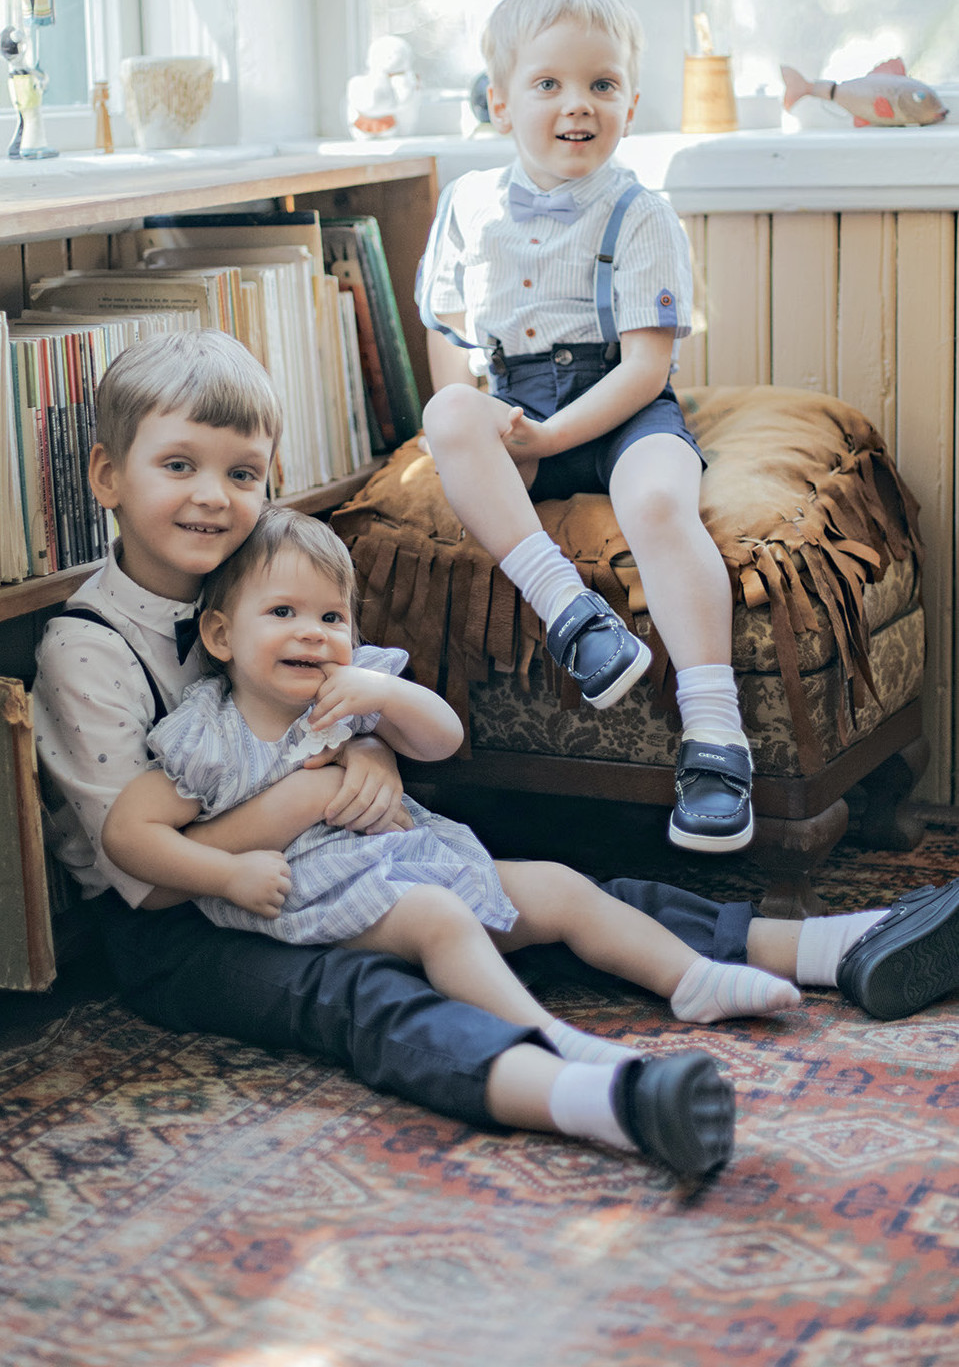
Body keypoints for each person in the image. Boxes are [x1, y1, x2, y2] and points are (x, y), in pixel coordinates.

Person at [31, 330, 959, 1184]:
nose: (210, 497)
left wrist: (372, 757)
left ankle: (826, 946)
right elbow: (142, 878)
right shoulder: (88, 651)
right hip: (180, 927)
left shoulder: (271, 588)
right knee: (356, 990)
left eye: (240, 474)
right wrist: (315, 795)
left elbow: (350, 719)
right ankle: (594, 1096)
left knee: (522, 889)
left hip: (329, 860)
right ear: (109, 476)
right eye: (178, 466)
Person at [102, 506, 803, 1065]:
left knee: (558, 885)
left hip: (412, 859)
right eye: (282, 613)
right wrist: (225, 876)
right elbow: (128, 834)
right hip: (312, 901)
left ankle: (689, 978)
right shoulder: (212, 738)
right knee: (438, 917)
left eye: (331, 617)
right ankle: (548, 1042)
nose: (312, 634)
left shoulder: (354, 691)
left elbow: (442, 740)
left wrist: (387, 696)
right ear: (221, 636)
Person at [417, 0, 748, 854]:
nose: (577, 104)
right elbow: (448, 335)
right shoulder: (467, 205)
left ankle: (714, 735)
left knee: (659, 499)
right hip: (513, 400)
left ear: (629, 107)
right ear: (500, 103)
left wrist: (558, 435)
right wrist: (481, 419)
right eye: (548, 83)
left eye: (601, 84)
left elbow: (645, 367)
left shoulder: (641, 214)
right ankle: (573, 617)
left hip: (619, 405)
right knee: (446, 412)